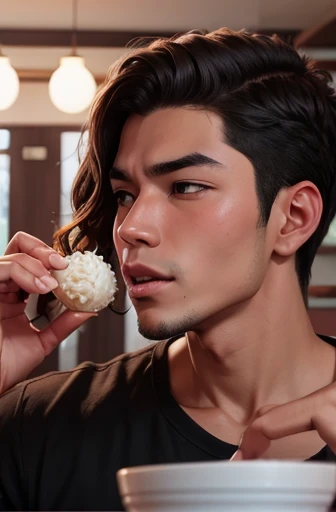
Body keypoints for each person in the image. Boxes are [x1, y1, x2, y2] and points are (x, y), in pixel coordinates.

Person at [1, 26, 336, 511]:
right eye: (124, 196)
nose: (130, 227)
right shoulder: (38, 426)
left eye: (184, 187)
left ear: (294, 217)